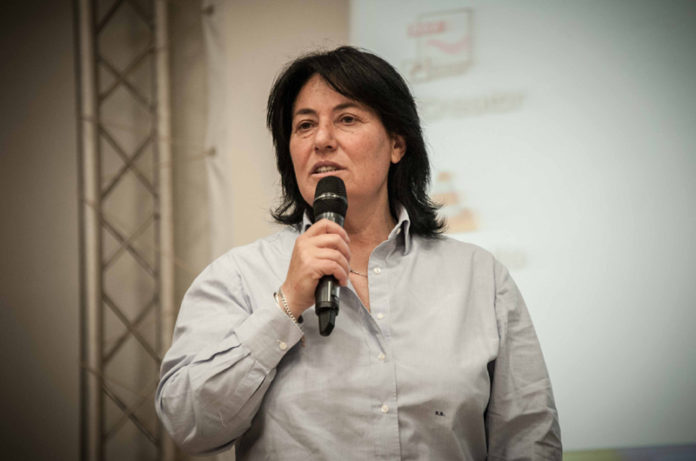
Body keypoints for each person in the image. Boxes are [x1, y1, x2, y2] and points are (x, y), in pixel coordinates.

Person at [155, 46, 562, 460]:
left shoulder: (479, 277)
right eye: (305, 125)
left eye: (347, 119)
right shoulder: (237, 277)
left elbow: (529, 439)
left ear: (397, 143)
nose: (322, 140)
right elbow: (187, 424)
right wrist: (284, 306)